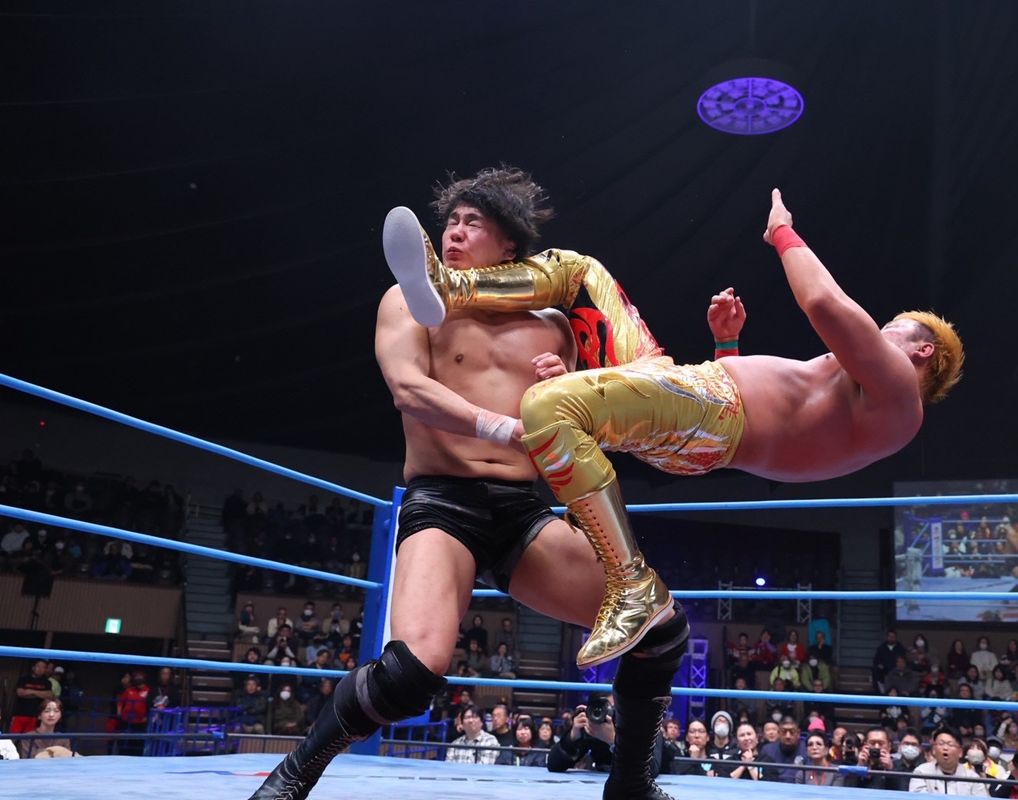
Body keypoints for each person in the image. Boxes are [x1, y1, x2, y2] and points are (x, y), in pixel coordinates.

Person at [250, 167, 692, 800]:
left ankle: (631, 785)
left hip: (522, 510)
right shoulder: (413, 298)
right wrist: (504, 427)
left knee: (660, 628)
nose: (453, 233)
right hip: (442, 500)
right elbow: (408, 389)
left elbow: (584, 432)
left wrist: (562, 388)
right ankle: (292, 777)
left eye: (471, 223)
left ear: (509, 244)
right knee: (410, 674)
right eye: (450, 222)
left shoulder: (555, 325)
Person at [392, 187, 963, 665]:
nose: (879, 332)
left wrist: (783, 233)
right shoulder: (869, 404)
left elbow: (823, 304)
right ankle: (452, 288)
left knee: (548, 406)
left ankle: (629, 584)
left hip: (712, 412)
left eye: (892, 328)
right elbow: (776, 422)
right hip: (701, 409)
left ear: (923, 351)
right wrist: (727, 345)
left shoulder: (897, 396)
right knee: (580, 272)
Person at [910, 728, 990, 795]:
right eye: (941, 744)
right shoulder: (921, 772)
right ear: (933, 750)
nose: (945, 748)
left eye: (950, 744)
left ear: (960, 752)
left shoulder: (972, 778)